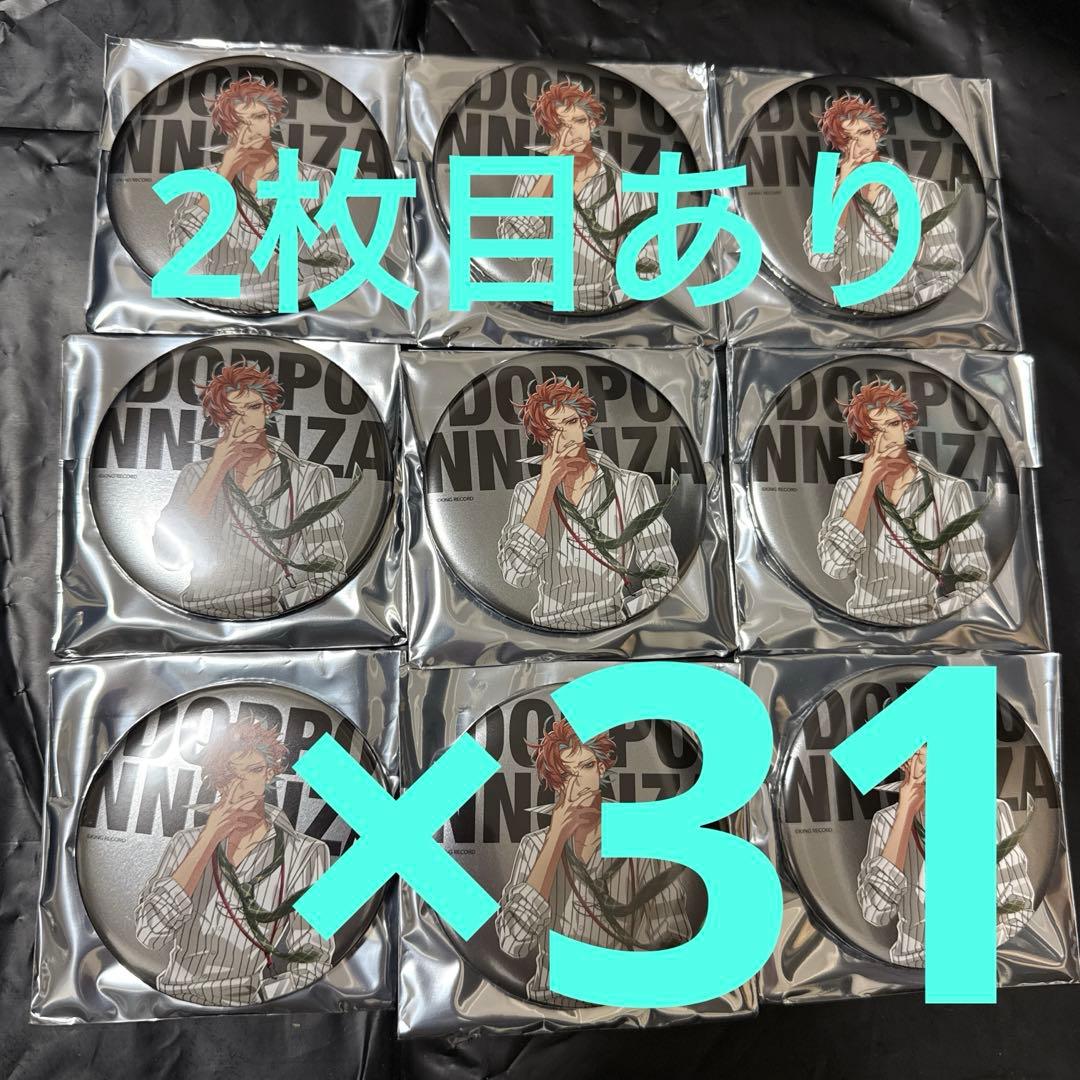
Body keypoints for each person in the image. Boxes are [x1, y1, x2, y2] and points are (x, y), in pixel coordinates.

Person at [133, 717, 334, 1006]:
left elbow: (313, 959)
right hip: (168, 1001)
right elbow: (149, 933)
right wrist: (208, 839)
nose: (243, 786)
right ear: (219, 780)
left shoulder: (306, 852)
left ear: (270, 772)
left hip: (250, 1009)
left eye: (254, 770)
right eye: (231, 775)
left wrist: (262, 1000)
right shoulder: (185, 843)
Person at [495, 719, 693, 1005]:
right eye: (567, 774)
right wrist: (554, 841)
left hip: (625, 1007)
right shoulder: (535, 845)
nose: (580, 784)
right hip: (548, 1007)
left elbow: (671, 937)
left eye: (586, 767)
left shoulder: (643, 838)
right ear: (556, 782)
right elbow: (513, 942)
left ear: (601, 768)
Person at [152, 361, 356, 619]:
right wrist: (216, 470)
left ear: (267, 409)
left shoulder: (308, 476)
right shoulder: (195, 474)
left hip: (273, 616)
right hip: (194, 613)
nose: (244, 421)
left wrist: (290, 610)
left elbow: (328, 567)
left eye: (253, 407)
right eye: (231, 412)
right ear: (219, 418)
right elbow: (168, 556)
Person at [496, 376, 679, 631]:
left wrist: (630, 616)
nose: (564, 436)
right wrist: (546, 486)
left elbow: (663, 572)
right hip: (543, 631)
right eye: (552, 430)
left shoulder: (631, 485)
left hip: (614, 628)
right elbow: (516, 574)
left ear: (583, 423)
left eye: (570, 422)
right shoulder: (528, 492)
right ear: (542, 437)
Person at [816, 378, 991, 625]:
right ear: (865, 437)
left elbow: (975, 575)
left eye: (893, 424)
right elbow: (834, 566)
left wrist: (938, 613)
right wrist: (866, 485)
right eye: (875, 430)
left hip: (926, 623)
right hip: (860, 623)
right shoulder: (850, 488)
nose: (887, 437)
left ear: (906, 425)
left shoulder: (948, 490)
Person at [167, 74, 346, 313]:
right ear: (228, 128)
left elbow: (335, 265)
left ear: (272, 119)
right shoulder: (206, 180)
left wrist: (286, 305)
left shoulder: (314, 179)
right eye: (239, 122)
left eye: (259, 117)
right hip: (214, 310)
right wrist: (224, 176)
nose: (251, 130)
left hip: (287, 312)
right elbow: (179, 256)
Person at [857, 746, 1036, 967]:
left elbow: (1019, 905)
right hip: (912, 965)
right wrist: (904, 814)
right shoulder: (886, 821)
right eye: (924, 757)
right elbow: (875, 913)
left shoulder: (991, 811)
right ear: (906, 763)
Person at [495, 79, 659, 312]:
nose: (572, 133)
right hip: (537, 303)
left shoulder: (629, 186)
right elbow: (513, 250)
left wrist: (616, 309)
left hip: (599, 309)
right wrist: (549, 174)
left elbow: (648, 267)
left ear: (592, 123)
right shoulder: (533, 177)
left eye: (579, 121)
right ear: (551, 130)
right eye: (561, 125)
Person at [802, 94, 964, 315]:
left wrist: (916, 307)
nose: (859, 145)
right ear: (840, 145)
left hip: (909, 314)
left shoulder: (921, 190)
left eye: (864, 133)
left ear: (876, 134)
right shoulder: (828, 191)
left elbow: (948, 265)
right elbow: (820, 260)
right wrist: (844, 191)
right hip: (849, 315)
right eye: (848, 139)